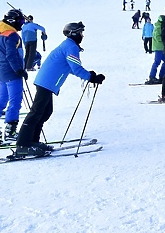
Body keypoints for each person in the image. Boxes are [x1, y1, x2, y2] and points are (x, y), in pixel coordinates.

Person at [15, 22, 105, 156]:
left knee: (45, 113)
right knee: (36, 113)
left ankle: (33, 141)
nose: (82, 36)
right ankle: (23, 144)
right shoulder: (71, 47)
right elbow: (76, 68)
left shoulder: (69, 45)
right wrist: (91, 77)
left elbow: (70, 68)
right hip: (47, 82)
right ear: (74, 34)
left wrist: (89, 75)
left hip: (47, 82)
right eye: (80, 33)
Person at [0, 9, 28, 141]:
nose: (22, 24)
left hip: (2, 71)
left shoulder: (0, 33)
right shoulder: (12, 35)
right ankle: (10, 131)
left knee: (2, 99)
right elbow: (11, 55)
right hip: (12, 72)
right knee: (15, 100)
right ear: (12, 21)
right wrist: (19, 70)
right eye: (21, 21)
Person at [146, 15, 165, 84]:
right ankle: (152, 76)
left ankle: (162, 75)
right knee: (157, 62)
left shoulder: (160, 27)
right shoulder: (158, 27)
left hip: (161, 47)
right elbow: (157, 38)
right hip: (158, 48)